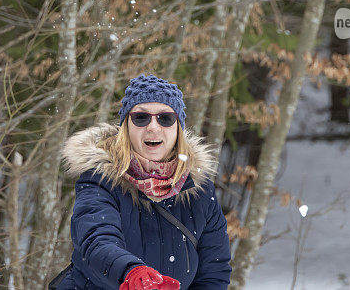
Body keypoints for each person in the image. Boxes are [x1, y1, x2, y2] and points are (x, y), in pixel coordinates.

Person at [55, 74, 231, 290]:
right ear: (126, 127)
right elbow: (97, 241)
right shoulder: (100, 180)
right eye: (141, 118)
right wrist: (131, 271)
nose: (153, 127)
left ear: (178, 129)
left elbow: (214, 273)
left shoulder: (200, 192)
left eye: (165, 118)